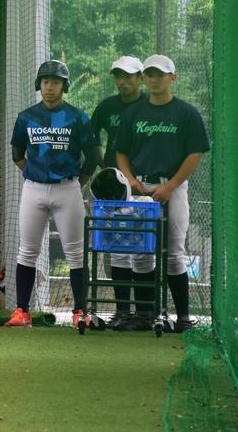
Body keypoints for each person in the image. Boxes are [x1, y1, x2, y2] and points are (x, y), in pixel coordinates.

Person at [114, 54, 209, 333]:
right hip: (140, 188)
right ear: (143, 78)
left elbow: (195, 154)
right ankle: (144, 315)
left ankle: (183, 317)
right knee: (141, 253)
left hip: (173, 186)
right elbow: (121, 152)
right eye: (150, 75)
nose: (155, 80)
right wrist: (131, 180)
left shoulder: (186, 112)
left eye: (161, 75)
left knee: (174, 252)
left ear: (172, 78)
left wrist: (170, 186)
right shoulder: (133, 113)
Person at [5, 60, 98, 329]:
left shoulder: (78, 117)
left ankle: (80, 311)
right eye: (45, 82)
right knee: (27, 252)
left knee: (75, 254)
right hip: (33, 189)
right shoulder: (26, 117)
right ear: (39, 84)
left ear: (64, 86)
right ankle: (22, 311)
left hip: (68, 189)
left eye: (55, 82)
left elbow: (92, 156)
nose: (49, 87)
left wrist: (77, 183)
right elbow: (17, 152)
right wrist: (36, 173)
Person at [90, 56, 152, 330]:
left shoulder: (150, 105)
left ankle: (145, 313)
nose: (122, 81)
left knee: (144, 250)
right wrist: (105, 169)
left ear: (140, 78)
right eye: (118, 76)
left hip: (143, 184)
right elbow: (92, 137)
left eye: (127, 76)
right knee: (118, 250)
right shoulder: (107, 106)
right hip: (116, 189)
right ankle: (122, 312)